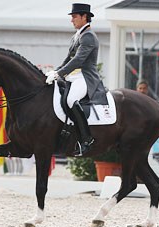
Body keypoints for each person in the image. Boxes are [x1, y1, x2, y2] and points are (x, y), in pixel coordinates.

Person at [45, 3, 105, 156]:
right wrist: (56, 72)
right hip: (73, 76)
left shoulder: (89, 36)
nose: (72, 20)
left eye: (74, 17)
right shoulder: (77, 35)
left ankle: (86, 139)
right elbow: (68, 59)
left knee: (71, 100)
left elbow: (78, 60)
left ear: (84, 17)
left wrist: (60, 73)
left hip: (85, 76)